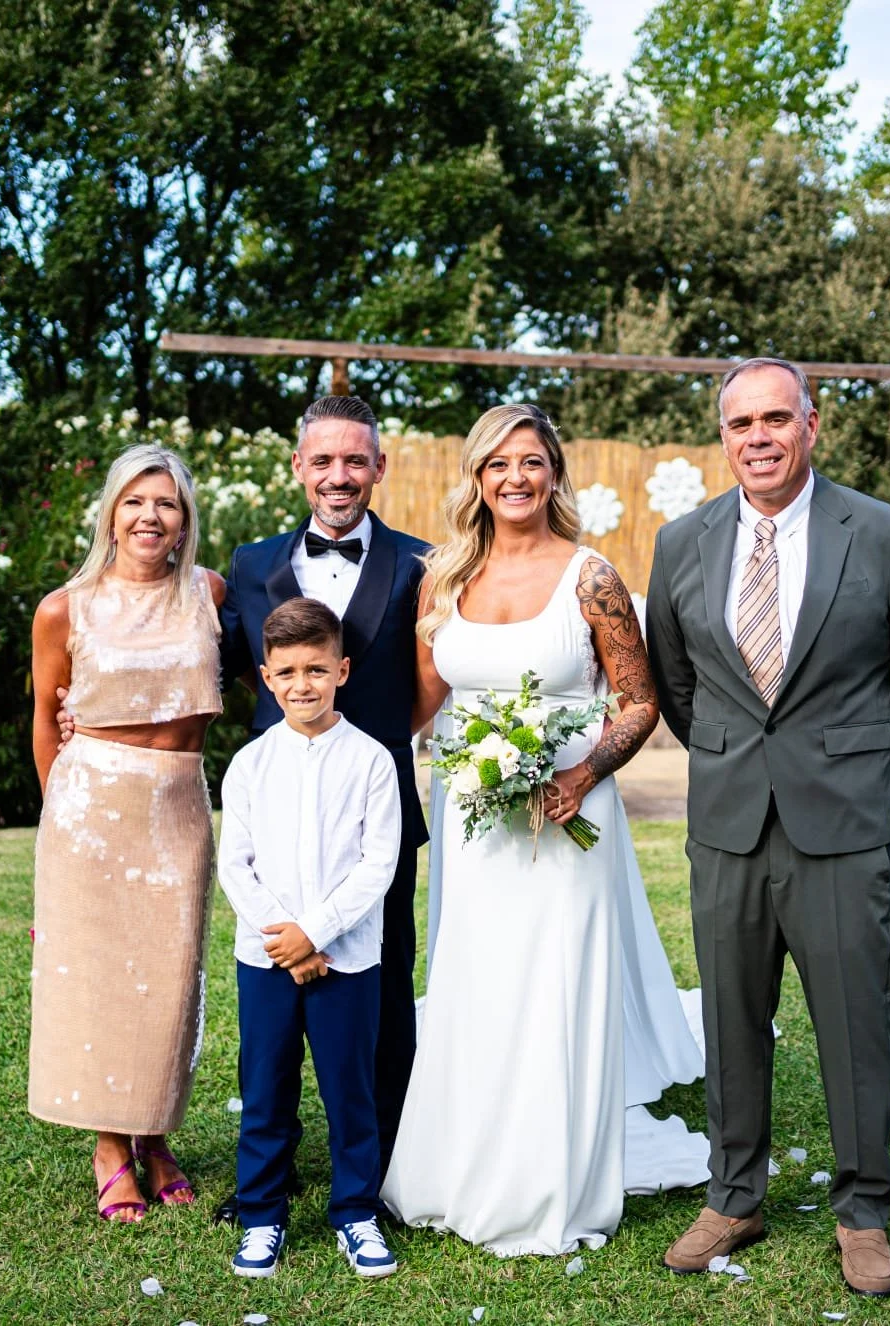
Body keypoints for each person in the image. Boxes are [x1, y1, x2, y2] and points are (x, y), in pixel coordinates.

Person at [643, 357, 890, 1296]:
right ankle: (734, 1197)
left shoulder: (887, 534)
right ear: (724, 436)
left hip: (843, 824)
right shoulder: (682, 542)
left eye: (777, 419)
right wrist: (735, 759)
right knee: (731, 1017)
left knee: (857, 1020)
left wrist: (870, 785)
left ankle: (863, 1211)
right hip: (729, 824)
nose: (760, 438)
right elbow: (676, 681)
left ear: (812, 425)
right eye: (741, 423)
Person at [380, 403, 703, 1257]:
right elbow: (420, 704)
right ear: (477, 478)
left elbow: (639, 702)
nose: (514, 477)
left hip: (569, 819)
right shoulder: (443, 579)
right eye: (497, 464)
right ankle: (461, 1168)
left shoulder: (591, 578)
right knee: (477, 981)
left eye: (530, 461)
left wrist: (582, 775)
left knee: (558, 987)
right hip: (474, 824)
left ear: (554, 472)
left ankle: (555, 1181)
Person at [216, 394, 432, 1201]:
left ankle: (382, 1167)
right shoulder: (250, 565)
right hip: (277, 807)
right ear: (299, 467)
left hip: (376, 801)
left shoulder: (420, 562)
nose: (338, 475)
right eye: (323, 460)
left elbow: (430, 680)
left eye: (354, 460)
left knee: (382, 986)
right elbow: (236, 666)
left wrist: (374, 746)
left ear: (379, 467)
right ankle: (267, 1175)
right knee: (271, 996)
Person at [28, 443, 226, 1223]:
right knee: (101, 982)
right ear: (110, 515)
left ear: (185, 520)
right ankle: (111, 1146)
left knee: (169, 980)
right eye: (135, 502)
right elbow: (44, 718)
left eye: (166, 503)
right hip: (90, 810)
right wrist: (61, 819)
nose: (150, 517)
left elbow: (275, 667)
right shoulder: (64, 608)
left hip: (177, 806)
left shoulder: (209, 593)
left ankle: (155, 1133)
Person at [218, 598, 402, 1280]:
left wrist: (316, 933)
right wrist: (286, 941)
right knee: (266, 1089)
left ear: (342, 671)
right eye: (289, 672)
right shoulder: (249, 765)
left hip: (346, 959)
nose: (304, 684)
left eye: (317, 670)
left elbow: (378, 865)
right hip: (266, 959)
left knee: (350, 1091)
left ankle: (355, 1211)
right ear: (267, 677)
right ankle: (261, 1215)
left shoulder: (373, 761)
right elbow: (235, 865)